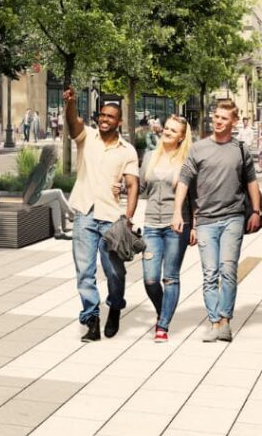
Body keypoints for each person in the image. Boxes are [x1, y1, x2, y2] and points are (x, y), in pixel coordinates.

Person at [173, 98, 261, 342]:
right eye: (216, 116)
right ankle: (214, 321)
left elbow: (252, 182)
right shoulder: (199, 148)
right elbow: (183, 181)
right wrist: (178, 212)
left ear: (233, 121)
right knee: (209, 272)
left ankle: (225, 321)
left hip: (233, 217)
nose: (218, 121)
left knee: (228, 270)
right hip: (206, 221)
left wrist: (256, 211)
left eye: (224, 118)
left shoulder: (240, 150)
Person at [64, 88, 139, 342]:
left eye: (110, 116)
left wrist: (127, 218)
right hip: (85, 212)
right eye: (102, 115)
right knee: (84, 271)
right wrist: (71, 104)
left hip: (110, 217)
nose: (104, 119)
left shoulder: (127, 150)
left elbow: (133, 185)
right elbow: (73, 125)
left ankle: (115, 306)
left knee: (114, 272)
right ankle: (92, 319)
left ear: (119, 122)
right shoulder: (88, 138)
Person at [141, 115, 192, 343]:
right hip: (151, 223)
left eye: (173, 131)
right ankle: (164, 310)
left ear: (181, 136)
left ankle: (162, 325)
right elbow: (141, 188)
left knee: (170, 277)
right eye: (167, 128)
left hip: (176, 225)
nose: (167, 132)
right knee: (150, 279)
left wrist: (196, 225)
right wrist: (120, 187)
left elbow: (196, 195)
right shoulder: (150, 157)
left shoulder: (187, 160)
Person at [22, 145, 74, 239]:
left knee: (55, 203)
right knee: (58, 192)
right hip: (32, 197)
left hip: (40, 195)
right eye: (56, 155)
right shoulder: (40, 168)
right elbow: (31, 187)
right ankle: (71, 213)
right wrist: (24, 203)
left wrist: (48, 196)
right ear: (50, 156)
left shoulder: (52, 168)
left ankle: (58, 232)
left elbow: (48, 186)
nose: (58, 157)